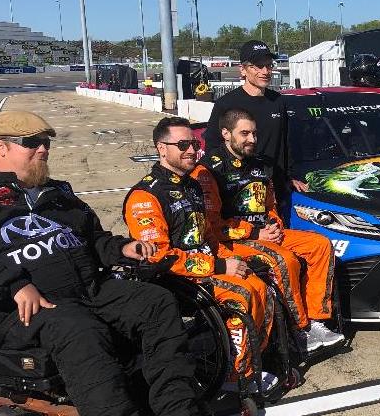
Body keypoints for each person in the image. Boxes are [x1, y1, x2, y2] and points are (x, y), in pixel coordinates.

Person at [0, 111, 225, 416]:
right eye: (32, 143)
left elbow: (92, 239)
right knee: (80, 330)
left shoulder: (58, 193)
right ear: (0, 147)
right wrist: (13, 283)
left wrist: (121, 248)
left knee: (156, 302)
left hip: (87, 290)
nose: (43, 150)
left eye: (46, 142)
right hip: (17, 312)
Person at [123, 116, 279, 397]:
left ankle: (249, 364)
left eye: (195, 144)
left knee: (260, 285)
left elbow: (206, 235)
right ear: (161, 148)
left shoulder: (192, 185)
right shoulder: (145, 196)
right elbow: (161, 257)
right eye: (183, 144)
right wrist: (221, 265)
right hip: (174, 279)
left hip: (206, 266)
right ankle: (234, 375)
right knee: (242, 295)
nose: (192, 150)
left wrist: (231, 260)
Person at [195, 108, 345, 354]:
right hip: (232, 240)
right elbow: (211, 224)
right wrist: (254, 233)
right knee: (283, 260)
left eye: (254, 133)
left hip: (267, 233)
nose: (252, 139)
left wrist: (273, 225)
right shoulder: (208, 170)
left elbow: (269, 205)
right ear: (225, 133)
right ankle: (301, 329)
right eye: (244, 133)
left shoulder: (261, 165)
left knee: (320, 245)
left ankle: (317, 318)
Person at [203, 40, 308, 213]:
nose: (265, 71)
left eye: (268, 65)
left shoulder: (278, 101)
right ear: (243, 69)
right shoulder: (226, 104)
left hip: (276, 189)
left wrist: (289, 176)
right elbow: (213, 149)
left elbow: (286, 143)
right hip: (240, 190)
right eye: (258, 66)